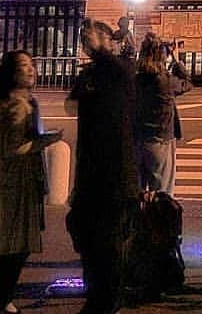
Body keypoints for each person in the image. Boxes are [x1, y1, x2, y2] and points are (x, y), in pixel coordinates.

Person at [65, 19, 139, 314]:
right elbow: (72, 103)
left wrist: (102, 49)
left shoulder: (120, 73)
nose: (90, 44)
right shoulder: (92, 75)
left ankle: (105, 301)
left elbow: (117, 70)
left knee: (107, 244)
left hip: (115, 174)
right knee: (85, 235)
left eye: (97, 39)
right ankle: (97, 296)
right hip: (90, 172)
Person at [0, 50, 62, 314]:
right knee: (14, 246)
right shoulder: (16, 104)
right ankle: (1, 302)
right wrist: (45, 141)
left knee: (19, 245)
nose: (31, 70)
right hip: (17, 181)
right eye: (24, 66)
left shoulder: (22, 100)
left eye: (32, 65)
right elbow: (8, 150)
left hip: (23, 180)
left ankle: (3, 301)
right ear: (12, 73)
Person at [134, 34, 192, 196]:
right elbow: (187, 82)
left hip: (137, 139)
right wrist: (176, 58)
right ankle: (157, 220)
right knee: (162, 193)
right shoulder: (165, 81)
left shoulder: (135, 79)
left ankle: (139, 220)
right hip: (161, 140)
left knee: (137, 192)